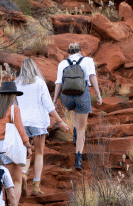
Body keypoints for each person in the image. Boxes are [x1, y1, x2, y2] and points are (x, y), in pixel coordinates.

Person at [14, 57, 70, 195]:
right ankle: (36, 187)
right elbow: (48, 106)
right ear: (34, 68)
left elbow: (13, 106)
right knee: (39, 153)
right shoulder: (39, 83)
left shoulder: (16, 83)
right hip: (37, 123)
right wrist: (60, 121)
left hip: (21, 123)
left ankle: (24, 173)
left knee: (26, 152)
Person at [51, 42, 103, 170]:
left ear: (68, 53)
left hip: (66, 97)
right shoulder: (88, 60)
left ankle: (74, 130)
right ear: (80, 52)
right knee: (82, 129)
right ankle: (78, 159)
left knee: (74, 110)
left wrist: (54, 100)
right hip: (82, 94)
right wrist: (98, 94)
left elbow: (58, 83)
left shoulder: (62, 63)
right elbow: (92, 77)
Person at [0, 81, 32, 206]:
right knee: (16, 181)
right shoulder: (13, 109)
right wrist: (28, 145)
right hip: (7, 148)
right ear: (12, 95)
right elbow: (20, 129)